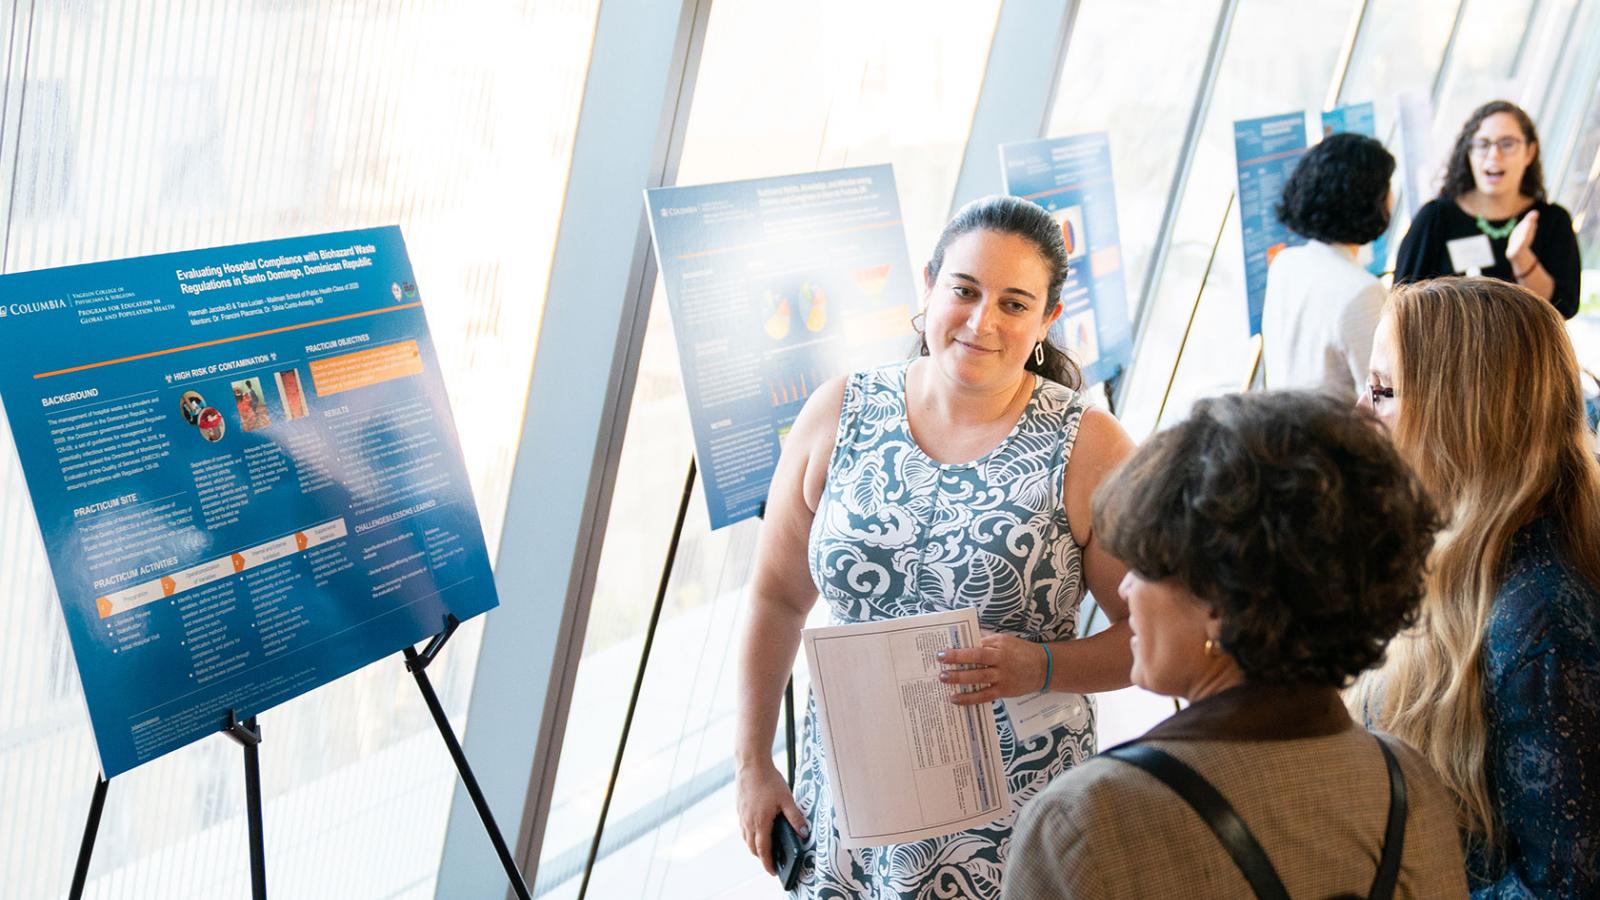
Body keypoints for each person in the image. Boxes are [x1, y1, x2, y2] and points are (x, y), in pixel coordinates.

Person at [734, 195, 1137, 899]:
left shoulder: (1089, 447)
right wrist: (752, 764)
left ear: (1046, 321)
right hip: (853, 804)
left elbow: (1161, 635)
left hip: (1012, 819)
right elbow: (774, 597)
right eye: (965, 290)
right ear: (929, 288)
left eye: (1015, 303)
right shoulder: (839, 411)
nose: (983, 321)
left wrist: (1041, 665)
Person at [1004, 391, 1469, 899]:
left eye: (1147, 564)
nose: (1125, 588)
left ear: (1219, 602)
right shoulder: (1408, 783)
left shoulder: (1085, 821)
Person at [1354, 277, 1600, 897]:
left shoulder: (1537, 622)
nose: (1359, 410)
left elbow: (1564, 887)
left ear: (1466, 414)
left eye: (1383, 391)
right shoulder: (1460, 556)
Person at [1395, 100, 1580, 318]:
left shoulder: (1552, 220)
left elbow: (1562, 308)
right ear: (1468, 153)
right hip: (1447, 351)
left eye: (1507, 143)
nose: (1494, 155)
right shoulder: (1436, 218)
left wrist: (1521, 257)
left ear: (1530, 152)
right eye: (1482, 144)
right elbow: (1402, 305)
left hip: (1523, 352)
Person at [1261, 132, 1394, 397]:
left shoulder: (1286, 263)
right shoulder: (1362, 291)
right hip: (1339, 434)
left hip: (1283, 428)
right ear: (1369, 199)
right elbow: (1381, 397)